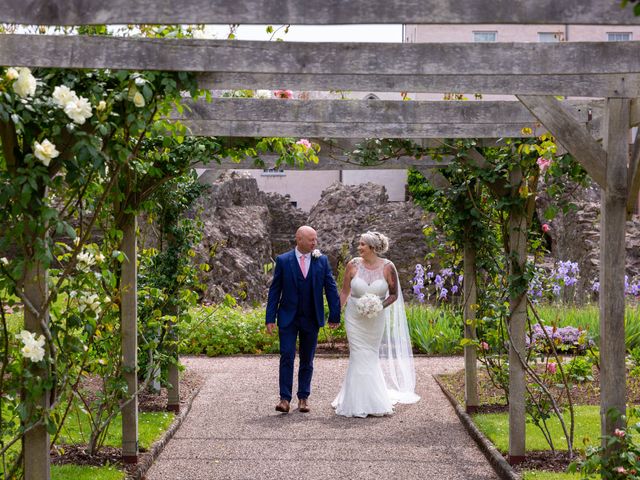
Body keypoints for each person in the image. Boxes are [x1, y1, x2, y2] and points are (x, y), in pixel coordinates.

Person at [332, 231, 420, 418]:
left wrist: (380, 305)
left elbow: (394, 295)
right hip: (354, 317)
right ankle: (354, 402)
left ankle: (373, 399)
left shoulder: (388, 267)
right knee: (357, 354)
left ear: (372, 247)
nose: (359, 247)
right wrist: (335, 314)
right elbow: (345, 292)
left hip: (375, 318)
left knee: (370, 355)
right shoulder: (353, 265)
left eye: (362, 244)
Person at [266, 225, 341, 414]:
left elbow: (330, 288)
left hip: (311, 317)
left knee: (307, 359)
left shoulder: (321, 261)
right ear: (299, 239)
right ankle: (284, 399)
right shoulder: (283, 260)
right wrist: (270, 318)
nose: (315, 242)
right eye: (311, 239)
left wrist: (334, 314)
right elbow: (275, 290)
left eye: (315, 239)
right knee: (287, 356)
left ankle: (303, 398)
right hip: (287, 318)